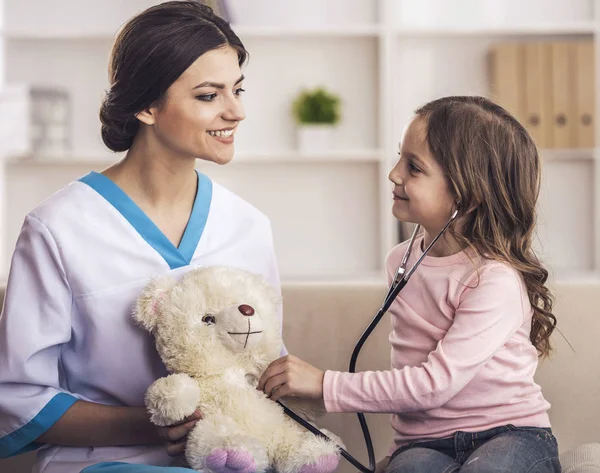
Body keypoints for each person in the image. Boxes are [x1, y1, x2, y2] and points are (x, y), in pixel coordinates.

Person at [0, 2, 285, 472]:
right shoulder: (58, 228)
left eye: (237, 89)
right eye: (209, 95)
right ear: (146, 106)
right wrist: (149, 424)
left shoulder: (249, 226)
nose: (237, 111)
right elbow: (17, 396)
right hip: (103, 461)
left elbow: (261, 362)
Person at [258, 96, 561, 473]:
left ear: (467, 195)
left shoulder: (494, 279)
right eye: (400, 158)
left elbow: (434, 384)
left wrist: (324, 384)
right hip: (424, 443)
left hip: (509, 434)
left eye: (414, 167)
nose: (394, 174)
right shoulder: (399, 260)